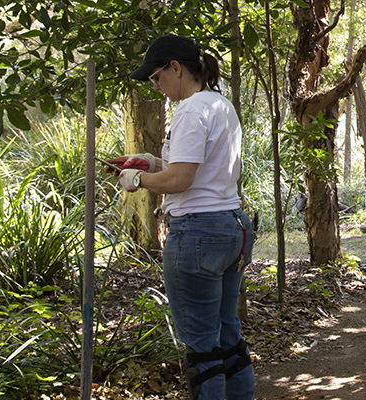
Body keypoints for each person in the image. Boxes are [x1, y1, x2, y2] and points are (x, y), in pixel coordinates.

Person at [105, 34, 256, 399]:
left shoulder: (190, 109)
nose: (157, 86)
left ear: (176, 68)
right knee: (227, 334)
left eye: (158, 77)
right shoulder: (220, 105)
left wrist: (138, 179)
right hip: (232, 227)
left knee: (202, 348)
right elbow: (198, 170)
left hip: (197, 233)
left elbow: (180, 180)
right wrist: (150, 163)